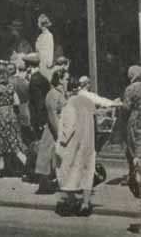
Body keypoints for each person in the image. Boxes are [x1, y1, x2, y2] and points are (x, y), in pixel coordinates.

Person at [56, 76, 121, 215]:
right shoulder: (88, 102)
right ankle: (85, 203)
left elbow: (68, 127)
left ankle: (71, 201)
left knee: (70, 172)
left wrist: (61, 142)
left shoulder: (70, 104)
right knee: (87, 172)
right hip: (88, 143)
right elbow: (96, 121)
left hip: (73, 144)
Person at [0, 65, 27, 178]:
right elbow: (17, 102)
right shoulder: (11, 88)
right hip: (12, 117)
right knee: (15, 143)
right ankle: (27, 166)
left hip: (1, 118)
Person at [35, 67, 69, 194]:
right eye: (66, 79)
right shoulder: (53, 94)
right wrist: (59, 133)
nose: (67, 81)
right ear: (59, 80)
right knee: (47, 156)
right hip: (53, 130)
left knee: (54, 157)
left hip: (59, 127)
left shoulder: (60, 93)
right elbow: (52, 115)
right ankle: (44, 185)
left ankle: (53, 183)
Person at [124, 65, 141, 198]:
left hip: (135, 121)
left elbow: (127, 107)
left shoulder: (130, 89)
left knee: (134, 150)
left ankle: (137, 180)